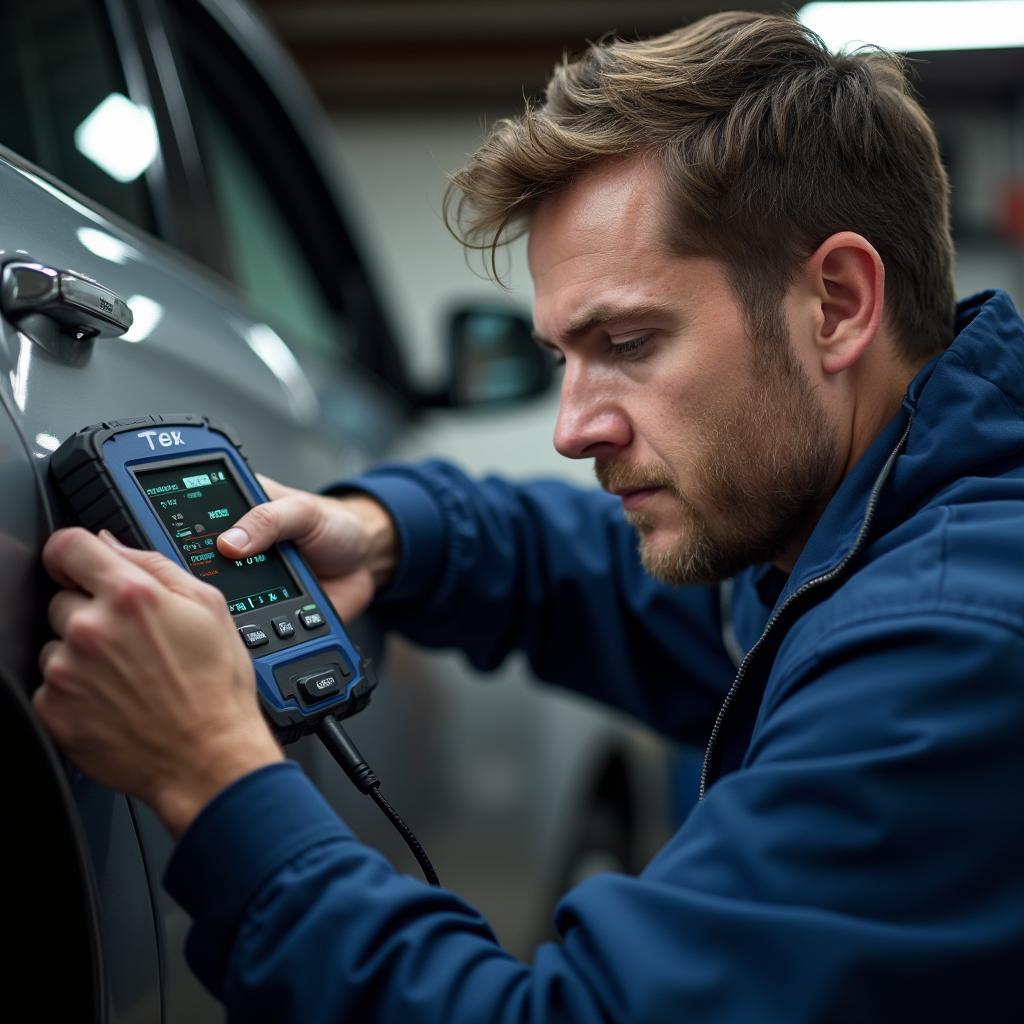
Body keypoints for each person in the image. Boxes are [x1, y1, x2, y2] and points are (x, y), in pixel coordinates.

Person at [33, 10, 1024, 1022]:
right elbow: (626, 585)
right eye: (562, 359)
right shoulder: (880, 533)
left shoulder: (946, 645)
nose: (571, 428)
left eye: (630, 341)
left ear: (838, 303)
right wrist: (392, 530)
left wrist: (214, 777)